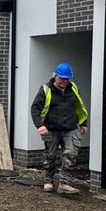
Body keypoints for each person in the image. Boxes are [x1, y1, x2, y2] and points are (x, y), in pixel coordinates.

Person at [31, 62, 88, 195]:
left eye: (67, 79)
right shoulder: (45, 90)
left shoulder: (73, 88)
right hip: (51, 128)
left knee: (71, 153)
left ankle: (64, 183)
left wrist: (83, 123)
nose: (65, 82)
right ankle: (48, 180)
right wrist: (40, 125)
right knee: (50, 155)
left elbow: (79, 106)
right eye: (62, 78)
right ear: (55, 76)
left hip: (70, 127)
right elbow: (35, 108)